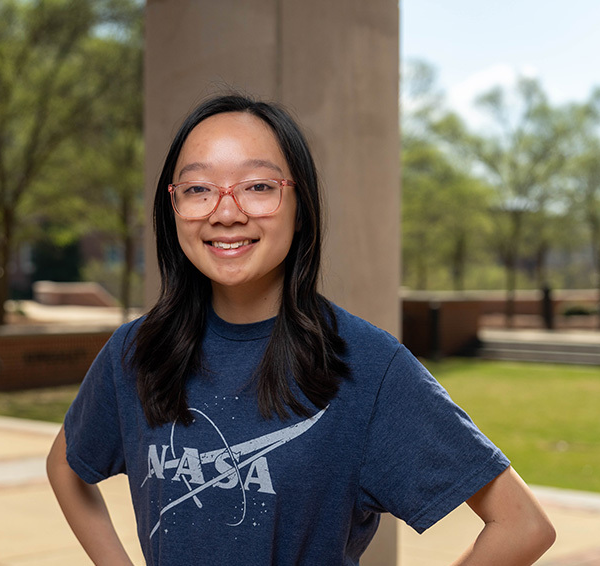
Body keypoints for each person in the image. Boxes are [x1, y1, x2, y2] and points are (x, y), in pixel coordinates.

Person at [47, 94, 555, 565]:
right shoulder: (137, 350)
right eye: (199, 189)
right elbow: (66, 467)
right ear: (173, 205)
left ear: (300, 204)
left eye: (258, 187)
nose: (226, 213)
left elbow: (522, 525)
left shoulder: (366, 367)